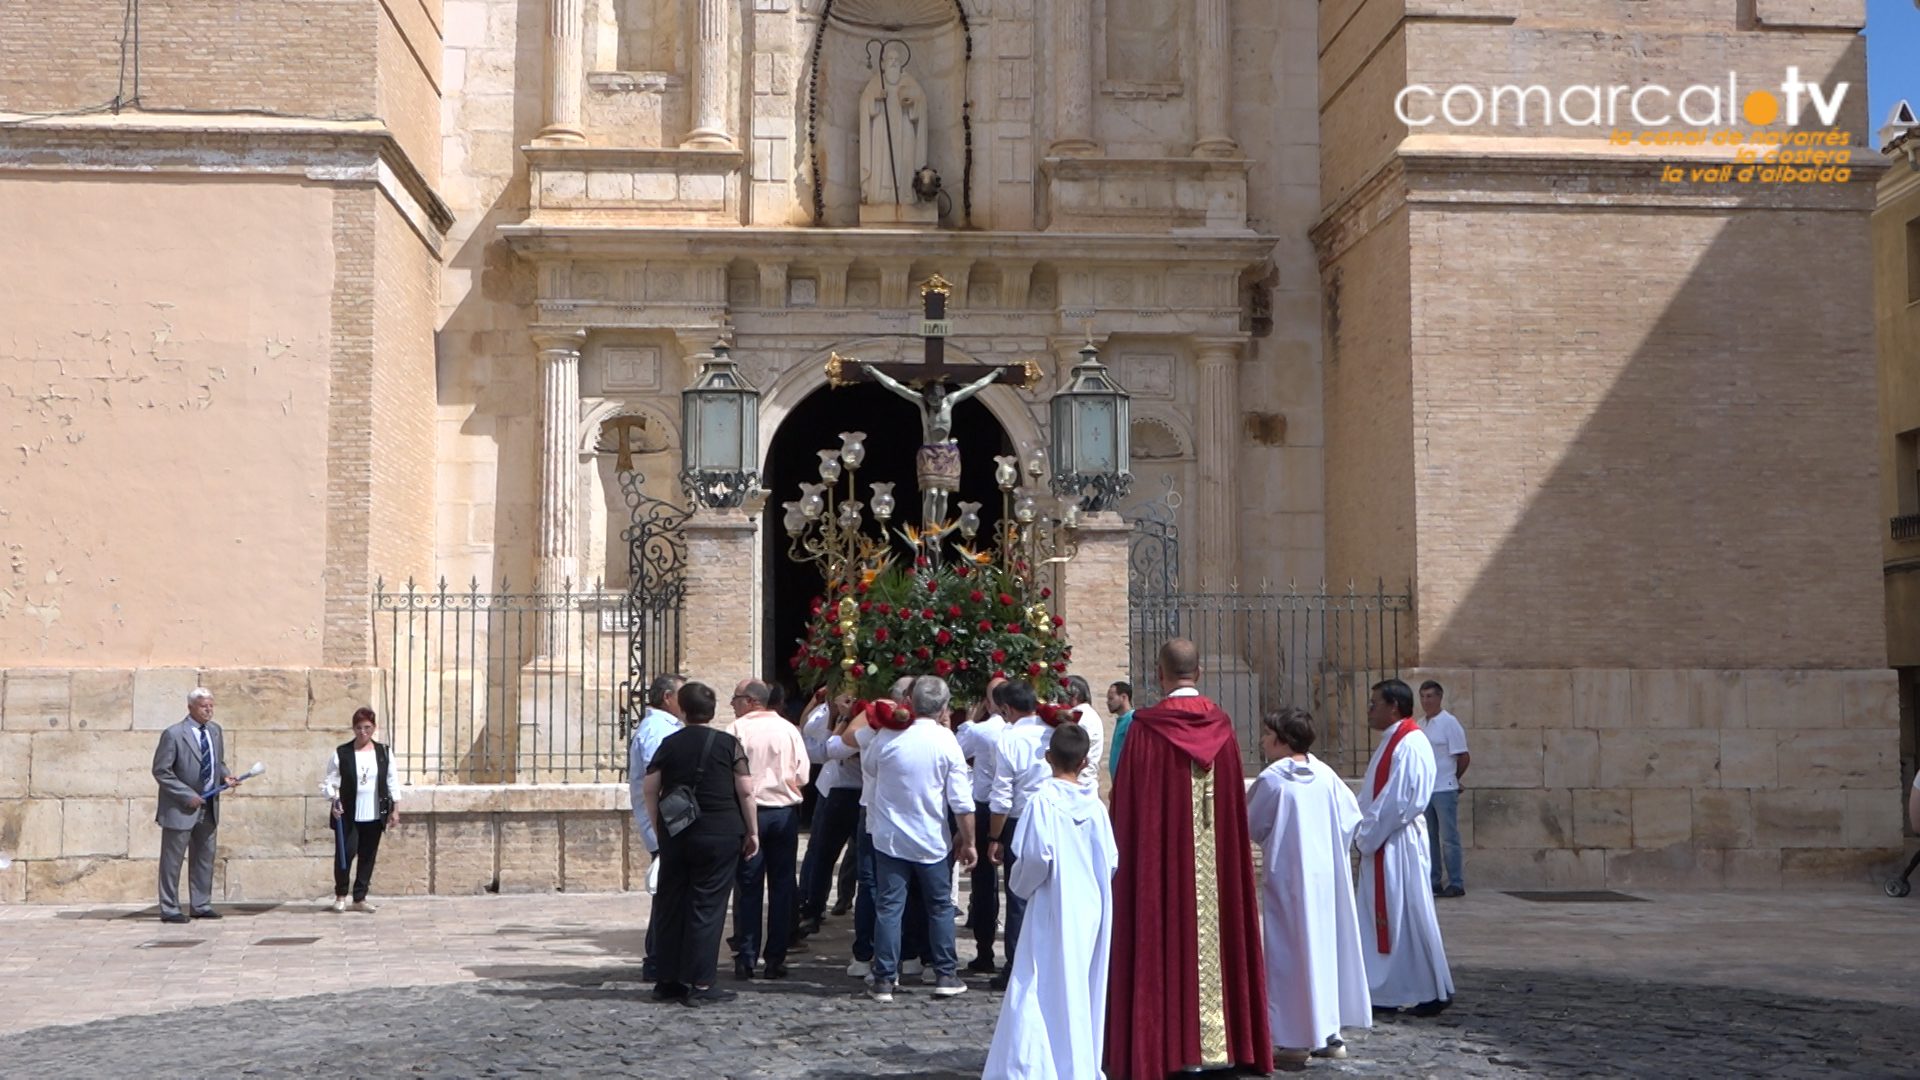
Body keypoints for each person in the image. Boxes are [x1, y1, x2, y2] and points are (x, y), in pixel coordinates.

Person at [1106, 639, 1270, 1078]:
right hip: (1215, 865)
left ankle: (1165, 1047)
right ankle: (1224, 1047)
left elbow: (1126, 809)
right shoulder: (1224, 727)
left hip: (1159, 866)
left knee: (1161, 933)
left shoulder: (1144, 728)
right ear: (1198, 675)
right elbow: (1235, 808)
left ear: (1159, 674)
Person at [981, 722, 1118, 1080]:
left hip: (1052, 906)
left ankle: (1033, 1066)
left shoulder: (1042, 802)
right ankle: (1077, 1065)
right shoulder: (1097, 807)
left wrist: (1020, 887)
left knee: (1038, 982)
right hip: (1089, 907)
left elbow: (1034, 858)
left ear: (1046, 757)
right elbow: (1112, 859)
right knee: (1080, 985)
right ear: (1085, 761)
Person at [1248, 708, 1370, 1066]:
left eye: (1267, 734)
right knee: (1324, 950)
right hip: (1326, 879)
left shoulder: (1273, 779)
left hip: (1290, 878)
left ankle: (1294, 1039)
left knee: (1291, 953)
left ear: (1281, 740)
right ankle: (1330, 1032)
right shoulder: (1326, 775)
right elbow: (1351, 819)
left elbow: (1250, 822)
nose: (1262, 740)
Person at [862, 675, 977, 1002]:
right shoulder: (945, 741)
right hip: (931, 838)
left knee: (889, 907)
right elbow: (961, 802)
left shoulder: (888, 736)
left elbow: (869, 768)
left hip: (891, 836)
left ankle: (885, 977)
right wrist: (968, 840)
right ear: (943, 708)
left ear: (909, 701)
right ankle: (945, 973)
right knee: (940, 906)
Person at [643, 682, 759, 1007]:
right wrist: (753, 831)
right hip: (720, 832)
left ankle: (666, 980)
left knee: (671, 903)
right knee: (707, 906)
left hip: (677, 833)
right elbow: (746, 790)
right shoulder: (727, 744)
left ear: (681, 707)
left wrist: (659, 828)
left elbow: (650, 787)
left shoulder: (669, 743)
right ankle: (702, 983)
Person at [1359, 679, 1455, 1016]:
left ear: (1394, 707)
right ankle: (1405, 987)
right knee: (1403, 916)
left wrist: (1366, 836)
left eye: (1374, 704)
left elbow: (1399, 800)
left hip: (1396, 842)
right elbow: (1375, 794)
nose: (1369, 711)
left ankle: (1413, 989)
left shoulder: (1410, 743)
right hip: (1388, 839)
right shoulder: (1394, 740)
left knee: (1404, 915)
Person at [728, 679, 809, 980]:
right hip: (783, 812)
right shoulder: (789, 730)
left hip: (750, 814)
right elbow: (802, 774)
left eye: (735, 698)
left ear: (749, 701)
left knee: (748, 886)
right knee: (781, 886)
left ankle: (746, 955)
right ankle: (776, 957)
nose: (732, 704)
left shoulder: (736, 730)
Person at [152, 687, 245, 923]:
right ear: (191, 707)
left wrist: (225, 776)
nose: (209, 710)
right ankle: (170, 908)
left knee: (204, 857)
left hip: (209, 804)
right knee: (173, 861)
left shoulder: (215, 731)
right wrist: (186, 795)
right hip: (181, 807)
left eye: (211, 705)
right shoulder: (173, 734)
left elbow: (216, 761)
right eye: (204, 705)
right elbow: (162, 771)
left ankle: (201, 904)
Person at [986, 678, 1048, 990]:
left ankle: (1017, 966)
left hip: (1020, 822)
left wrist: (994, 837)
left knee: (1018, 895)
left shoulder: (1008, 740)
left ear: (1007, 709)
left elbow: (1001, 797)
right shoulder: (1052, 732)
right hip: (1053, 818)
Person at [322, 707, 404, 914]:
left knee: (368, 854)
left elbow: (392, 780)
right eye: (359, 728)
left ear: (374, 728)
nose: (363, 732)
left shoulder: (384, 752)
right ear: (353, 728)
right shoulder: (343, 753)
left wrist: (395, 809)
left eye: (367, 727)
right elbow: (330, 781)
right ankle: (341, 895)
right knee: (346, 852)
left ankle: (360, 897)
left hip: (374, 811)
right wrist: (334, 800)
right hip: (349, 812)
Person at [630, 673, 685, 981]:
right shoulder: (656, 730)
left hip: (667, 821)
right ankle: (656, 959)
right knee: (666, 895)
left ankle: (663, 957)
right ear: (668, 698)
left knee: (670, 892)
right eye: (682, 694)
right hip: (664, 823)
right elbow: (661, 778)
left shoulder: (665, 728)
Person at [955, 678, 1008, 975]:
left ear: (989, 703)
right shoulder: (1023, 732)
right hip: (1013, 811)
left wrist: (969, 722)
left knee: (984, 885)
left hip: (986, 808)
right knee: (1016, 884)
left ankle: (984, 951)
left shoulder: (981, 731)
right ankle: (1012, 954)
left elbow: (957, 751)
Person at [797, 691, 860, 938]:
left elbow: (831, 749)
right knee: (823, 854)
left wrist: (842, 719)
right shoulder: (831, 715)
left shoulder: (870, 724)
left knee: (861, 861)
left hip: (859, 793)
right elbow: (813, 738)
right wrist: (832, 713)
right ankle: (812, 909)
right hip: (837, 790)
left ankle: (824, 907)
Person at [1417, 680, 1470, 898]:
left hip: (1445, 788)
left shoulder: (1450, 723)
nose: (1426, 701)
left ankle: (1456, 881)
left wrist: (1453, 779)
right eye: (1423, 696)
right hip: (1426, 789)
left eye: (1430, 696)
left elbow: (1463, 756)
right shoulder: (1420, 723)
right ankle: (1433, 880)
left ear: (1439, 698)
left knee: (1449, 837)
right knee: (1429, 837)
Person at [1061, 675, 1106, 790]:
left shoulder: (1079, 715)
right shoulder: (1090, 714)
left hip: (1079, 780)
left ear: (1074, 695)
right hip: (1086, 779)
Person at [1105, 681, 1134, 776]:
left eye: (1111, 698)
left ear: (1123, 697)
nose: (1108, 702)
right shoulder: (1122, 720)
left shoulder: (1131, 719)